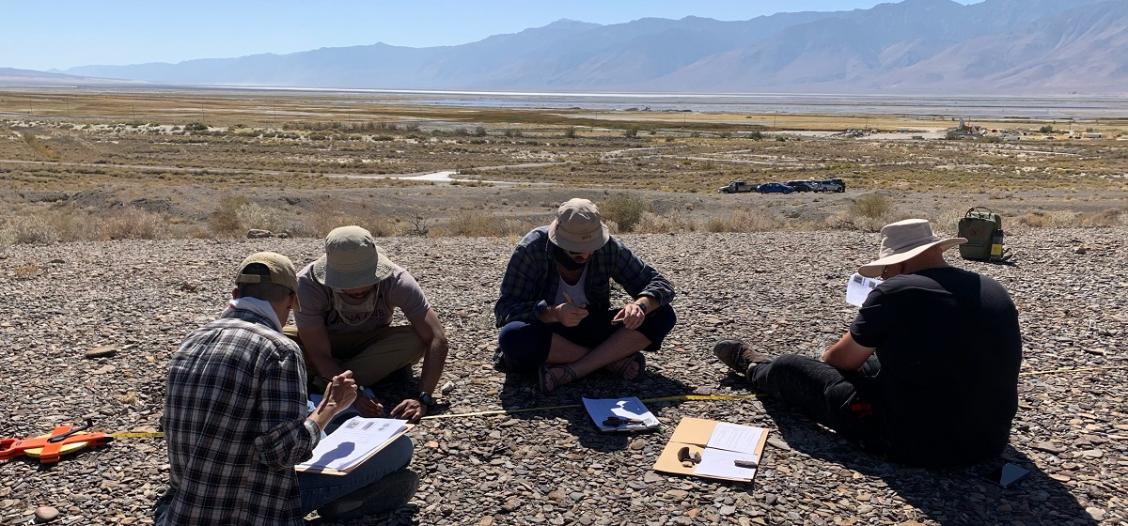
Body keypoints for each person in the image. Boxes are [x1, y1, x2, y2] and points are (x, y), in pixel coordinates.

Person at [714, 219, 1022, 467]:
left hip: (915, 444)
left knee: (789, 368)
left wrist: (827, 355)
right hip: (990, 441)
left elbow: (839, 360)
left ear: (901, 263)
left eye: (886, 269)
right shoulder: (993, 289)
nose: (884, 275)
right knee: (877, 362)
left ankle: (753, 366)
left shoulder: (897, 291)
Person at [158, 252, 415, 525]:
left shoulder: (191, 341)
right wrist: (329, 409)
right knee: (399, 449)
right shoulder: (280, 350)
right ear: (292, 300)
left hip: (182, 506)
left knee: (307, 409)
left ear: (235, 293)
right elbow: (282, 452)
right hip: (247, 511)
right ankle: (344, 504)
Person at [495, 198, 677, 392]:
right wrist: (553, 313)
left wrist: (640, 306)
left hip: (592, 326)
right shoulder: (531, 250)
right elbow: (505, 310)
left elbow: (661, 284)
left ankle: (573, 370)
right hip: (550, 333)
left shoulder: (607, 247)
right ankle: (610, 362)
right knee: (512, 337)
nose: (587, 255)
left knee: (662, 313)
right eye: (577, 253)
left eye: (592, 249)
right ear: (558, 242)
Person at [290, 225, 448, 423]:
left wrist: (423, 397)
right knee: (278, 339)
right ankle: (363, 376)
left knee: (416, 339)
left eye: (363, 281)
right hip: (324, 343)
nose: (357, 288)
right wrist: (355, 394)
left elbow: (437, 337)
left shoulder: (397, 280)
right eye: (347, 283)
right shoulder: (307, 284)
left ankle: (321, 382)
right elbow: (319, 352)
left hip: (371, 342)